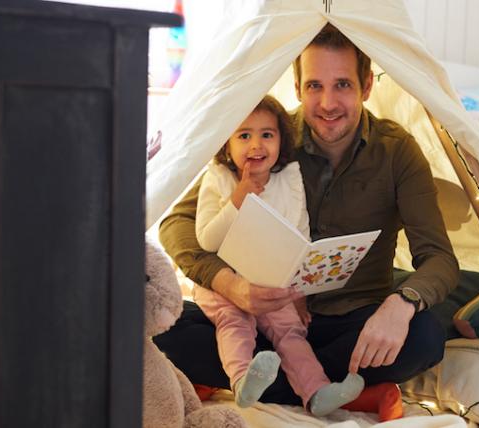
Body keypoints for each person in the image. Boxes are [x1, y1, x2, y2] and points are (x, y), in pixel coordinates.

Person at [155, 23, 459, 409]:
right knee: (157, 326)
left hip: (350, 324)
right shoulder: (267, 137)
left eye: (343, 85)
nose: (328, 103)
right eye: (315, 86)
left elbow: (440, 258)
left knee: (425, 337)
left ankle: (274, 383)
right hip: (262, 317)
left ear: (366, 86)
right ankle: (330, 391)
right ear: (298, 88)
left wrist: (401, 305)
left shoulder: (397, 151)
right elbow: (177, 224)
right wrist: (230, 285)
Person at [192, 95, 363, 414]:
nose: (256, 144)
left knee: (292, 331)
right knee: (235, 320)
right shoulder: (217, 176)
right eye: (244, 135)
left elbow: (299, 232)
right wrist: (238, 200)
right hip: (225, 282)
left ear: (281, 140)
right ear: (226, 142)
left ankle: (318, 393)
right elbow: (206, 239)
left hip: (271, 278)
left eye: (266, 134)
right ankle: (243, 381)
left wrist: (299, 293)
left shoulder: (289, 177)